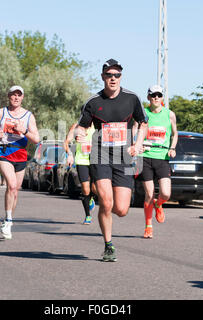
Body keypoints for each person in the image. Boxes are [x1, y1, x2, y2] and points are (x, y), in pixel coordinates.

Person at [76, 59, 148, 262]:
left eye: (116, 75)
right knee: (106, 203)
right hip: (100, 155)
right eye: (109, 75)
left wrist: (137, 143)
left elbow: (143, 123)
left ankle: (108, 211)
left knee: (122, 210)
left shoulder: (132, 98)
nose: (113, 78)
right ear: (103, 77)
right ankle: (108, 245)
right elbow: (82, 126)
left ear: (121, 77)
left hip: (124, 157)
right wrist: (79, 135)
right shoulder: (93, 102)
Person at [0, 85, 40, 240]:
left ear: (22, 97)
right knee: (11, 185)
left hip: (20, 153)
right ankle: (9, 220)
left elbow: (36, 139)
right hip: (4, 151)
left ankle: (8, 218)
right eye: (13, 95)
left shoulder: (28, 116)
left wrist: (23, 130)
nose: (16, 97)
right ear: (8, 96)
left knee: (16, 190)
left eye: (19, 95)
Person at [136, 85, 178, 239]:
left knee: (166, 194)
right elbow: (135, 131)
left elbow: (175, 133)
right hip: (146, 157)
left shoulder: (170, 114)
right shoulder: (143, 114)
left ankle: (159, 204)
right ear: (148, 97)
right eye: (153, 95)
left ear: (162, 97)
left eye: (159, 95)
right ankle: (148, 226)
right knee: (149, 193)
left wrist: (172, 148)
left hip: (162, 157)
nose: (156, 98)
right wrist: (137, 145)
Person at [64, 122, 97, 224]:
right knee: (85, 188)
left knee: (95, 189)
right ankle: (88, 215)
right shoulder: (76, 126)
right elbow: (66, 142)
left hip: (96, 160)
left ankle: (92, 198)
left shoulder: (98, 125)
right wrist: (69, 154)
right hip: (81, 160)